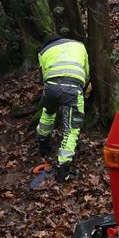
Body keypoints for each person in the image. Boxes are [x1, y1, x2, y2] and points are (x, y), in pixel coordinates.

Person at [35, 36, 90, 183]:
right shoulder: (80, 46)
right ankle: (63, 169)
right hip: (72, 88)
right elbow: (86, 72)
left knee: (48, 113)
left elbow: (42, 78)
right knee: (72, 128)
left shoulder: (43, 51)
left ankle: (42, 143)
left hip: (50, 88)